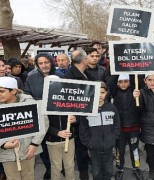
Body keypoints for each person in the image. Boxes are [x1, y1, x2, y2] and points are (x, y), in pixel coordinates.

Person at [0, 76, 48, 180]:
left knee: (28, 176)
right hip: (6, 154)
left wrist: (34, 144)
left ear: (13, 91)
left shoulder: (29, 102)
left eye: (1, 91)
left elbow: (43, 122)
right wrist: (3, 144)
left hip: (28, 150)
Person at [24, 53, 63, 179]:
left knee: (58, 144)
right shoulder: (31, 78)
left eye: (46, 62)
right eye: (40, 63)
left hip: (58, 117)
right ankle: (49, 168)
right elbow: (27, 96)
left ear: (51, 62)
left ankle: (59, 167)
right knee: (44, 145)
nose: (44, 65)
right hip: (41, 116)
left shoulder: (61, 76)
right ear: (37, 65)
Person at [63, 49, 95, 180]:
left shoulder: (85, 74)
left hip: (85, 116)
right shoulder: (69, 78)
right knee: (81, 147)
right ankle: (83, 173)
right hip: (78, 119)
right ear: (84, 61)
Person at [80, 81, 120, 180]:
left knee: (109, 170)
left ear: (106, 93)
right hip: (94, 147)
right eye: (97, 92)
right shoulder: (87, 109)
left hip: (108, 146)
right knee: (96, 171)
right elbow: (83, 129)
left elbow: (117, 124)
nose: (99, 95)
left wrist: (113, 138)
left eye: (102, 92)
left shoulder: (111, 108)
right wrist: (89, 143)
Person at [109, 74, 143, 180]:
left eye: (126, 81)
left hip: (134, 127)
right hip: (120, 128)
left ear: (129, 82)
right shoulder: (115, 92)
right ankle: (119, 169)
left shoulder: (134, 91)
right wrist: (117, 67)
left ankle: (136, 167)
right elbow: (111, 81)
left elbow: (140, 108)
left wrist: (136, 97)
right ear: (117, 83)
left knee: (135, 150)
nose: (123, 84)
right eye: (121, 82)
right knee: (120, 150)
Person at [46, 111, 76, 180]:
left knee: (70, 166)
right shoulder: (46, 103)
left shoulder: (69, 101)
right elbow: (42, 123)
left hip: (69, 139)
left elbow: (78, 116)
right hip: (53, 141)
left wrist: (75, 118)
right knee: (56, 168)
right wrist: (57, 132)